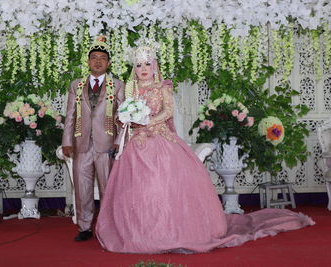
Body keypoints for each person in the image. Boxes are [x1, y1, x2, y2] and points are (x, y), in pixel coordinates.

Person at [95, 45, 314, 254]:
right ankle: (138, 233)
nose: (143, 69)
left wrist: (148, 121)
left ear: (154, 66)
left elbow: (168, 112)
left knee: (162, 187)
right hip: (137, 146)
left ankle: (169, 231)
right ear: (135, 68)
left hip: (160, 142)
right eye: (139, 65)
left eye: (147, 64)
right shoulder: (131, 88)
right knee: (137, 190)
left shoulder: (162, 87)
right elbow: (121, 113)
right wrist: (124, 118)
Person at [62, 36, 125, 241]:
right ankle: (84, 227)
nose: (98, 61)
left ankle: (108, 228)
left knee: (108, 187)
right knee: (82, 188)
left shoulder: (117, 85)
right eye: (94, 57)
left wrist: (119, 140)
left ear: (109, 63)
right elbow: (70, 115)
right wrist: (67, 142)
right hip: (81, 143)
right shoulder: (76, 85)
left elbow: (123, 116)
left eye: (103, 58)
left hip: (107, 145)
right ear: (88, 62)